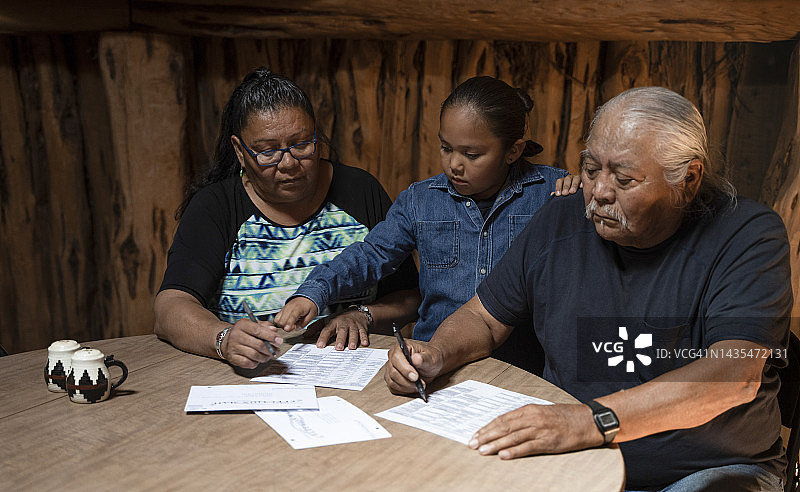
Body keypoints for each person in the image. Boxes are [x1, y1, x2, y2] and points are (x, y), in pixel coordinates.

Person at [384, 86, 792, 491]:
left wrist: (589, 421)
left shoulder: (747, 236)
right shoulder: (561, 217)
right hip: (575, 460)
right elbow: (482, 318)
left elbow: (733, 375)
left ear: (688, 179)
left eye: (624, 178)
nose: (598, 192)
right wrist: (437, 353)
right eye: (592, 168)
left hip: (703, 470)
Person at [274, 75, 580, 374]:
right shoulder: (421, 200)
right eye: (446, 148)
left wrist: (584, 191)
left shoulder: (552, 193)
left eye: (472, 154)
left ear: (513, 151)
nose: (454, 165)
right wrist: (314, 292)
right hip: (432, 362)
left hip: (521, 368)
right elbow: (370, 255)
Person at [154, 68, 419, 369]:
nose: (289, 163)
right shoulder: (216, 207)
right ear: (240, 152)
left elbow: (410, 297)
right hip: (250, 379)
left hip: (351, 375)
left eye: (302, 144)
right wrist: (224, 338)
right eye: (268, 152)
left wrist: (363, 314)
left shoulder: (359, 190)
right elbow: (169, 308)